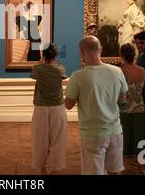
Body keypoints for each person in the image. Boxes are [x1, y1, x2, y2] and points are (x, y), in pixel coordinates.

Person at [65, 36, 128, 175]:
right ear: (101, 49)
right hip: (115, 131)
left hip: (92, 134)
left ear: (82, 52)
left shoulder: (78, 76)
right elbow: (122, 99)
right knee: (115, 171)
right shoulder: (117, 71)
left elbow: (68, 105)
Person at [30, 43, 68, 174]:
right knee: (58, 140)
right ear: (55, 55)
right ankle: (55, 169)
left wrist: (42, 60)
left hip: (41, 108)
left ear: (44, 55)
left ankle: (42, 169)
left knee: (40, 140)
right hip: (58, 107)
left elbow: (34, 72)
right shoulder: (61, 69)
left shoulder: (37, 69)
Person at [119, 43, 145, 174]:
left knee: (121, 141)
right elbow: (141, 89)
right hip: (139, 109)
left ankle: (118, 168)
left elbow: (118, 92)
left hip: (124, 110)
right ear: (134, 55)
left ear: (122, 55)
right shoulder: (142, 70)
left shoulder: (119, 71)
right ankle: (141, 170)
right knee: (142, 140)